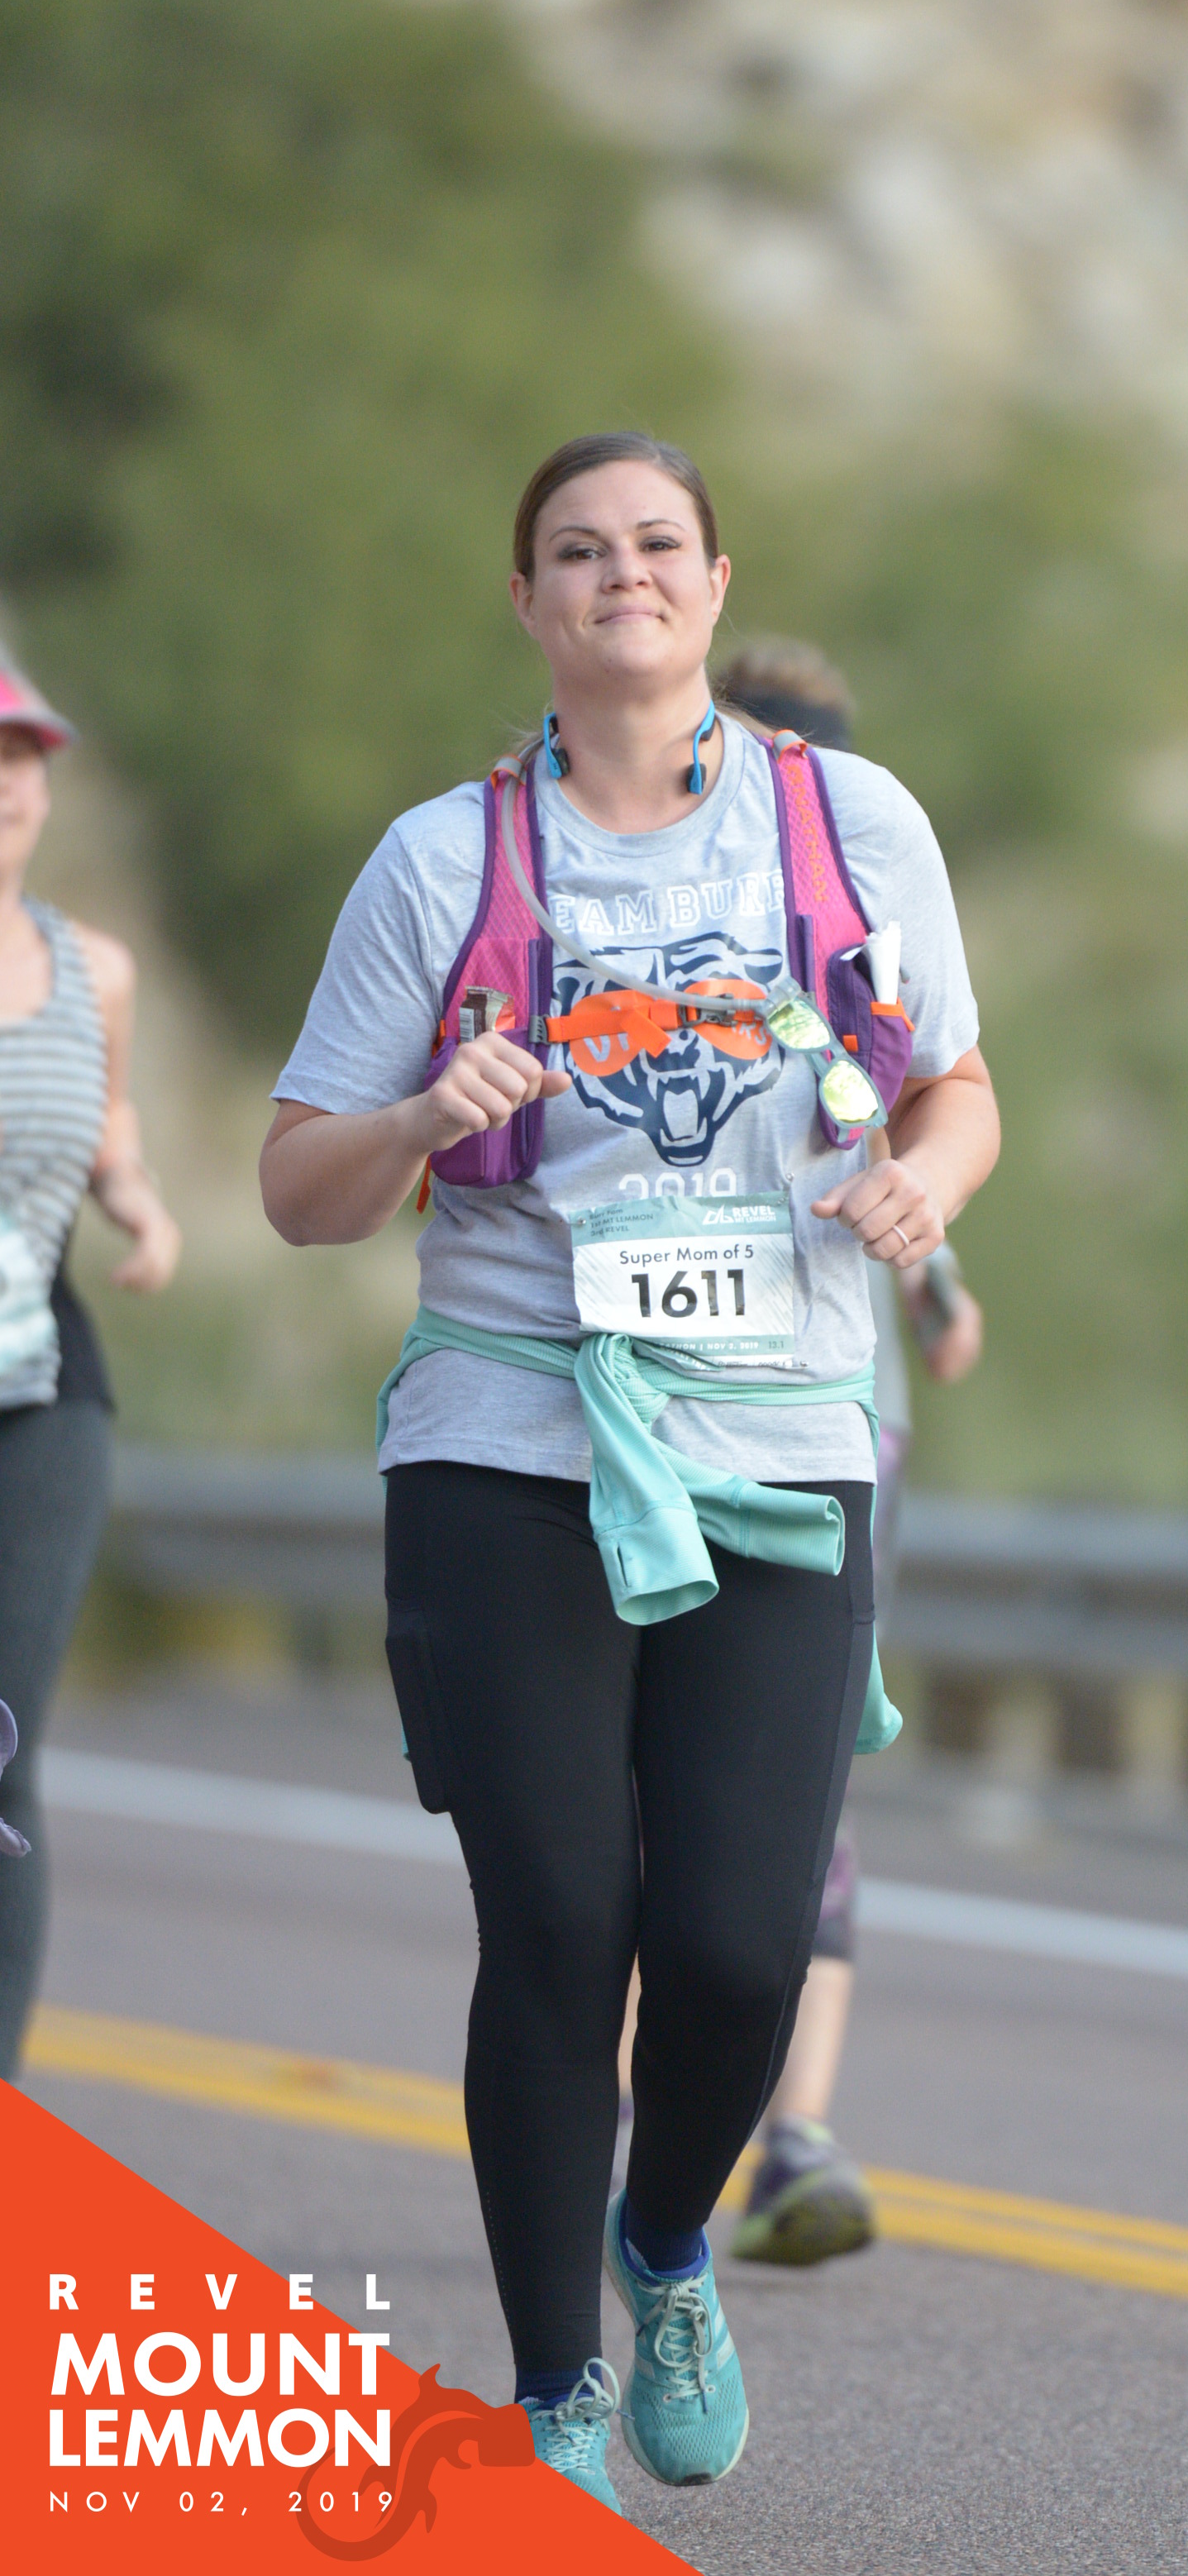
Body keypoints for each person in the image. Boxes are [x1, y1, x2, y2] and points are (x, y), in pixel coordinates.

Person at [260, 434, 999, 2510]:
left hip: (779, 1436)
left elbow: (956, 1087)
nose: (623, 575)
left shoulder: (850, 822)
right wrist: (423, 1116)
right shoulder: (441, 863)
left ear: (713, 579)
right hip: (512, 1439)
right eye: (577, 551)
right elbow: (300, 1189)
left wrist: (927, 1189)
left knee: (746, 1942)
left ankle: (664, 2240)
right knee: (563, 1924)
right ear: (529, 603)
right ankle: (554, 2388)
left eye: (657, 543)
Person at [709, 640, 985, 2268]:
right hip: (699, 1408)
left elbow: (903, 1133)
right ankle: (715, 2129)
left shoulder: (834, 942)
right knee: (695, 1778)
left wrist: (935, 1284)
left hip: (826, 1413)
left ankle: (781, 2135)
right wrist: (944, 1300)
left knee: (786, 1771)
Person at [0, 656, 182, 2076]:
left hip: (40, 1393)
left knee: (4, 1750)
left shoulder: (93, 970)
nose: (8, 784)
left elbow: (104, 1121)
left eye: (25, 757)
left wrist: (141, 1204)